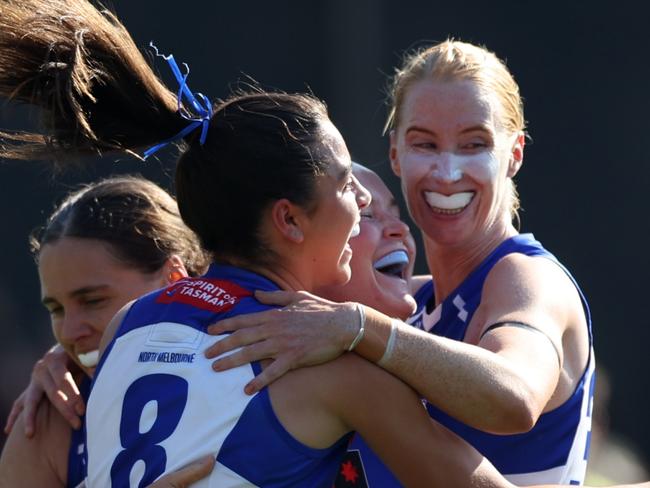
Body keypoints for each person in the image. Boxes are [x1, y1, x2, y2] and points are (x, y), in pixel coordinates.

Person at [0, 3, 519, 486]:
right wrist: (363, 329)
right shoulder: (336, 371)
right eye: (344, 184)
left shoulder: (130, 323)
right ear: (289, 220)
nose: (360, 196)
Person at [201, 40, 596, 485]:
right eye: (424, 143)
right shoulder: (409, 302)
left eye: (474, 144)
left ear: (515, 154)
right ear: (395, 153)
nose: (447, 173)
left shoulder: (527, 278)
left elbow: (515, 396)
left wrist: (358, 327)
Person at [0, 176, 211, 487]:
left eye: (94, 300)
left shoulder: (269, 360)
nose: (69, 332)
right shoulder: (49, 423)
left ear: (174, 281)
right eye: (56, 309)